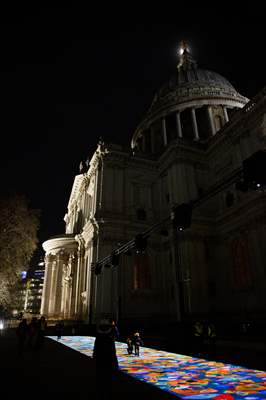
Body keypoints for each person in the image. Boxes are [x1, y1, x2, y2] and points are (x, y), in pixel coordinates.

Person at [93, 319, 118, 399]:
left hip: (100, 361)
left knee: (100, 380)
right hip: (109, 361)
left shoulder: (98, 336)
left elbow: (96, 349)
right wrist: (113, 326)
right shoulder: (110, 337)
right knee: (108, 380)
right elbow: (116, 333)